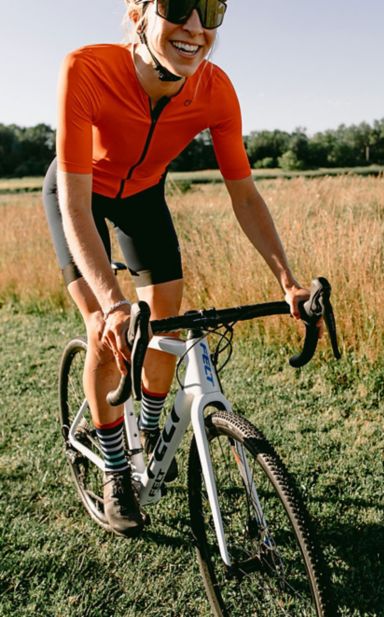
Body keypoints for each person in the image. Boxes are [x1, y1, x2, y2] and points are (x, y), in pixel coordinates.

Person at [43, 0, 313, 538]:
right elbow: (74, 206)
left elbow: (245, 196)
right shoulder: (87, 68)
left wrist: (288, 280)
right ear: (139, 12)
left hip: (143, 198)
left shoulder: (216, 90)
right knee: (107, 331)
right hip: (81, 196)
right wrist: (113, 303)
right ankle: (117, 470)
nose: (195, 26)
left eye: (211, 11)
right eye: (178, 7)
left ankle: (147, 436)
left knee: (166, 324)